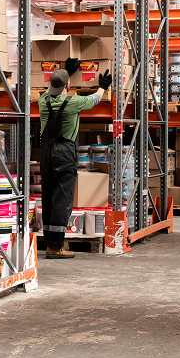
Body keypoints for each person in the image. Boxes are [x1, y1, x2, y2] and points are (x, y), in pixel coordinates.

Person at [38, 63, 111, 258]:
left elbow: (53, 88)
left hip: (45, 152)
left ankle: (49, 243)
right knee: (62, 197)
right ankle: (55, 247)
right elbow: (95, 99)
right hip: (64, 152)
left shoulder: (42, 100)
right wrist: (103, 86)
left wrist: (66, 74)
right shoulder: (73, 102)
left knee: (48, 196)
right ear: (68, 85)